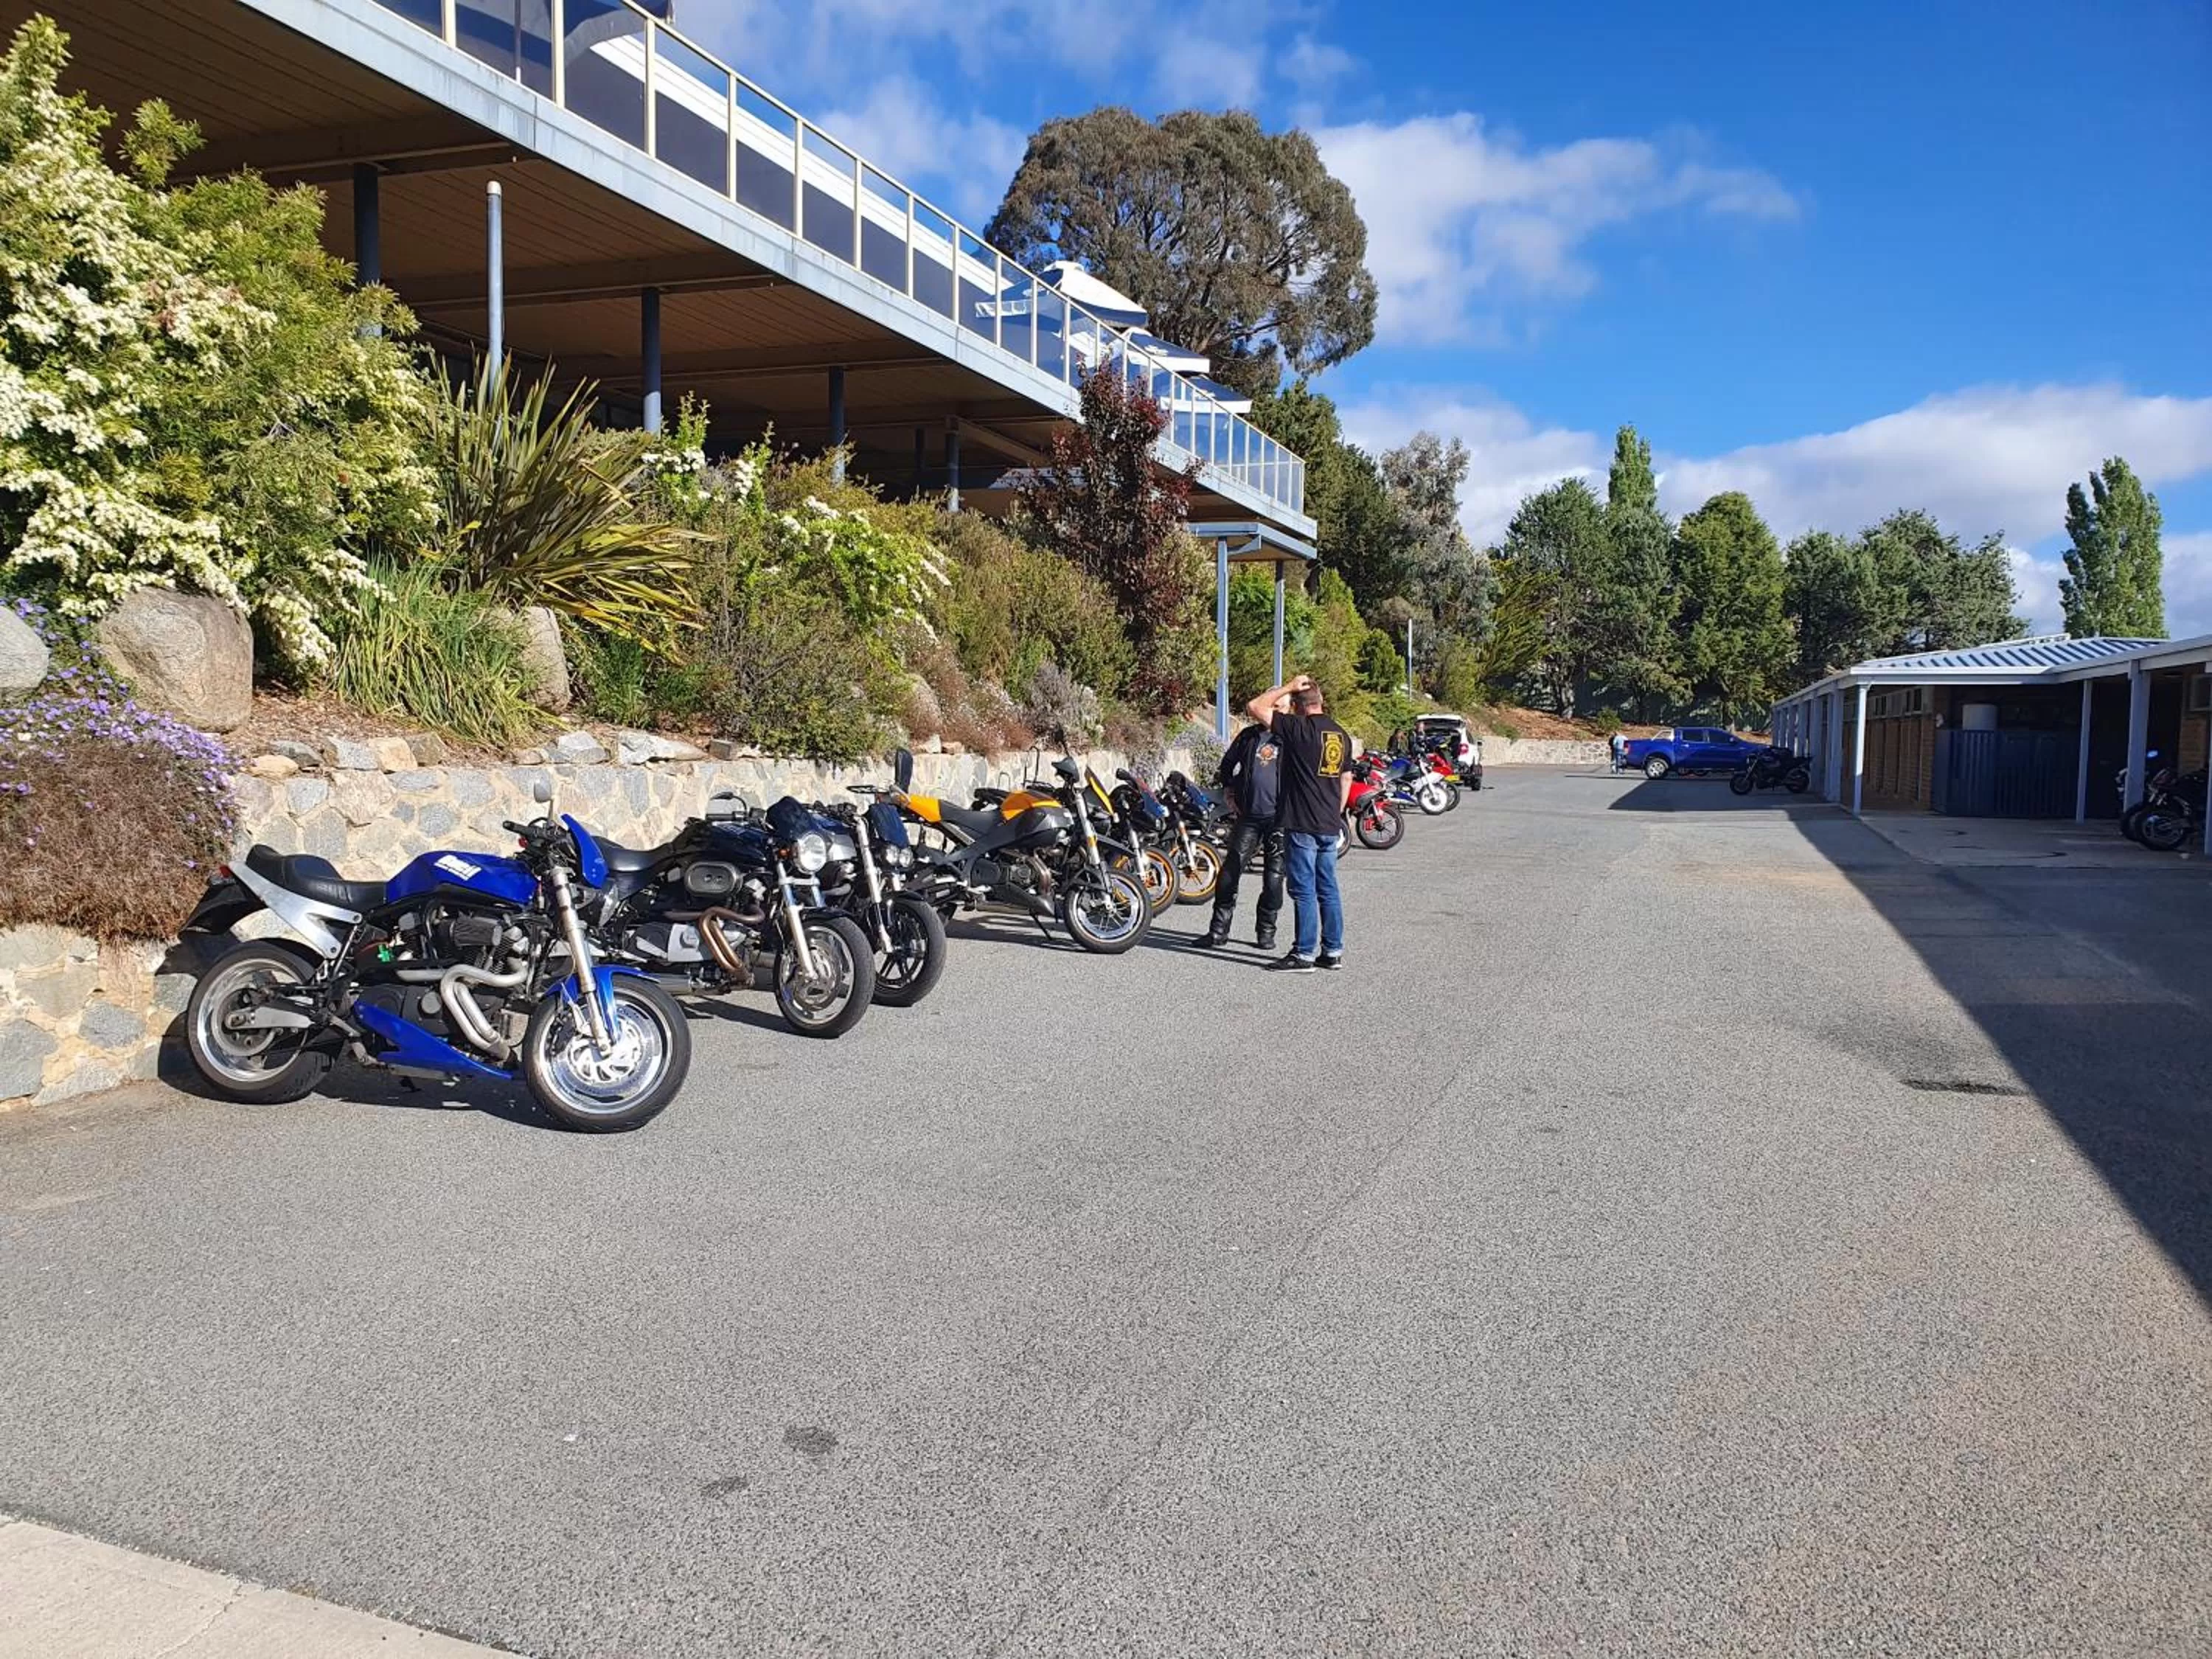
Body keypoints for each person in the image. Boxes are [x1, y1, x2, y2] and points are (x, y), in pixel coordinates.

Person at [1245, 672, 1351, 973]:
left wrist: (1288, 686)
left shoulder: (1297, 728)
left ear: (1300, 706)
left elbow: (1256, 706)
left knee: (1303, 889)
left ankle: (1304, 953)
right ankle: (1332, 951)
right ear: (1322, 702)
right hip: (1329, 823)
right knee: (1328, 888)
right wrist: (1335, 812)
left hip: (1302, 821)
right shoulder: (1340, 734)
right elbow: (1346, 778)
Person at [1198, 717, 1286, 950]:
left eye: (1281, 707)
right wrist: (1229, 790)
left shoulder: (1290, 737)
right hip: (1249, 816)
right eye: (1273, 706)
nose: (1275, 711)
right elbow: (1228, 764)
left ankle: (1266, 931)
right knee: (1230, 870)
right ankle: (1218, 931)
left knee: (1274, 878)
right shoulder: (1249, 736)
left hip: (1279, 819)